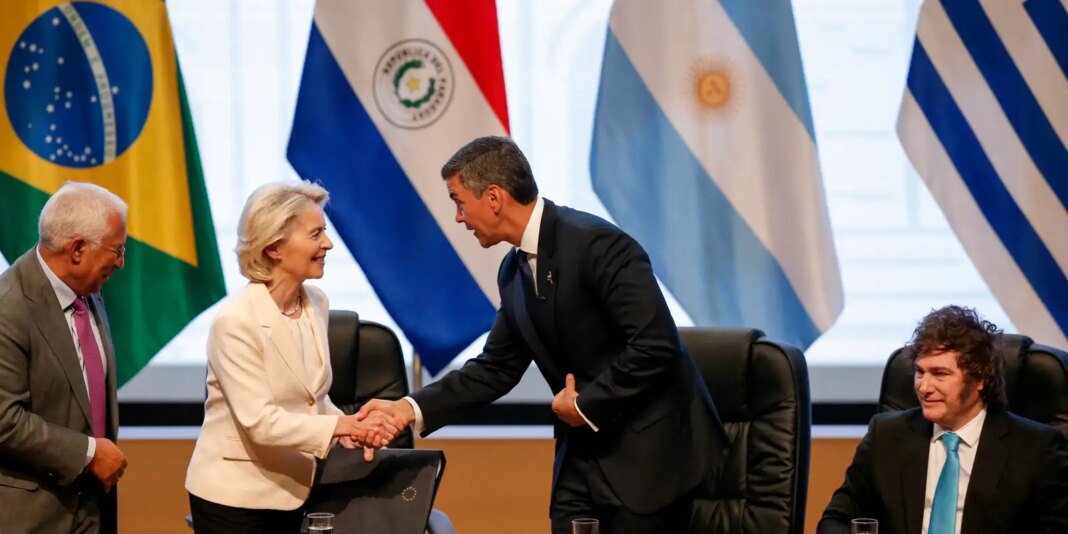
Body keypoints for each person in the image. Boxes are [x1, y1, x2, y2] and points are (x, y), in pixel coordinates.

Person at [359, 136, 730, 532]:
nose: (458, 218)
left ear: (494, 197)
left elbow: (656, 344)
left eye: (459, 201)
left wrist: (587, 405)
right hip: (581, 461)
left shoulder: (597, 243)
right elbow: (495, 368)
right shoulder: (512, 271)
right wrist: (407, 409)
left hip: (650, 460)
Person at [185, 181, 402, 533]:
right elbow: (261, 422)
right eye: (316, 234)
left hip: (298, 488)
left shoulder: (316, 301)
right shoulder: (235, 322)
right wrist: (344, 425)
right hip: (236, 499)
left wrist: (347, 430)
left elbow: (311, 398)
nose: (328, 244)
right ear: (274, 248)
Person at [819, 305, 1068, 534]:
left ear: (980, 379)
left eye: (940, 374)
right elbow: (835, 521)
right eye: (920, 372)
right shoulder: (885, 435)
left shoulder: (1036, 449)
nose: (924, 387)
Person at [0, 182, 129, 533]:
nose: (121, 262)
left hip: (95, 507)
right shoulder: (8, 308)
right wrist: (88, 453)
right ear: (78, 249)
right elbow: (4, 420)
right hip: (35, 516)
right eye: (117, 250)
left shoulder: (88, 289)